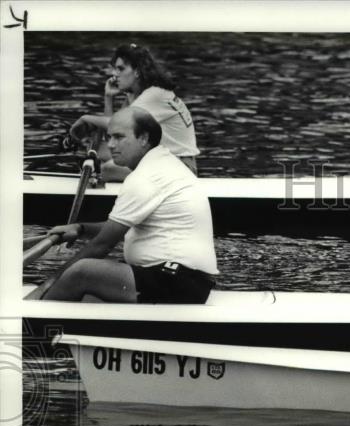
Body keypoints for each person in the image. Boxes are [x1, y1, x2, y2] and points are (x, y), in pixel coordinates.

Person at [27, 107, 217, 304]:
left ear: (143, 138)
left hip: (178, 282)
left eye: (118, 137)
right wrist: (80, 228)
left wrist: (46, 284)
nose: (110, 144)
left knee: (82, 271)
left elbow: (103, 244)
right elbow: (118, 229)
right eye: (109, 137)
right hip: (184, 280)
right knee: (88, 296)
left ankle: (33, 312)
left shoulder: (146, 177)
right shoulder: (162, 161)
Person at [69, 43, 199, 181]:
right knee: (102, 152)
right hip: (165, 161)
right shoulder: (141, 95)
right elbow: (113, 133)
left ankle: (102, 180)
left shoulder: (153, 95)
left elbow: (115, 125)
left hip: (182, 169)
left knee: (108, 169)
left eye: (120, 69)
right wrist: (108, 97)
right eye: (115, 69)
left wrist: (85, 118)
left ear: (137, 72)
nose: (114, 74)